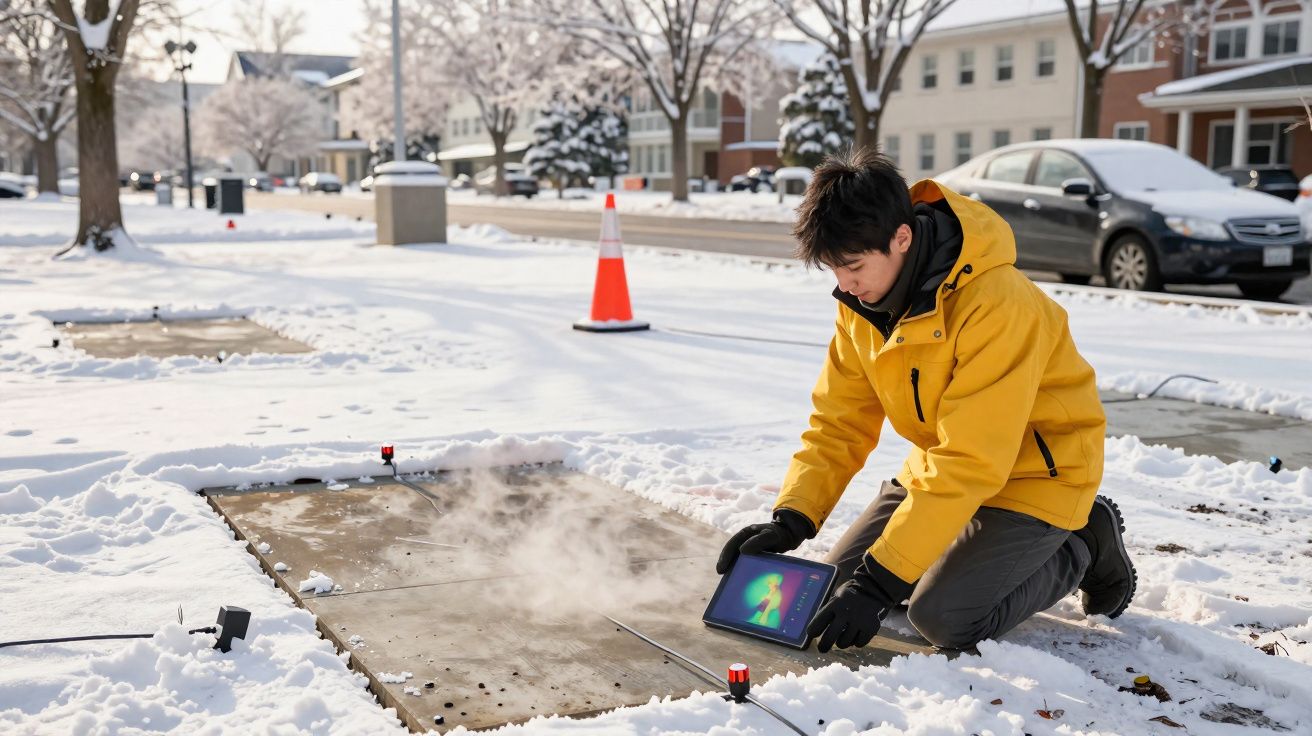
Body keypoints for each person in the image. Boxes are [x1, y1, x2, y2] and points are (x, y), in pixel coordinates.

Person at [717, 147, 1136, 653]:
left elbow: (973, 456)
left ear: (902, 237)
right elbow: (839, 421)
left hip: (1037, 478)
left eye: (853, 266)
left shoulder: (997, 304)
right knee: (829, 590)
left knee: (942, 617)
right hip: (941, 469)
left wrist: (880, 581)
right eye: (833, 269)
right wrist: (792, 518)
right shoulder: (861, 305)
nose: (844, 284)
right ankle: (951, 557)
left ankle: (1085, 543)